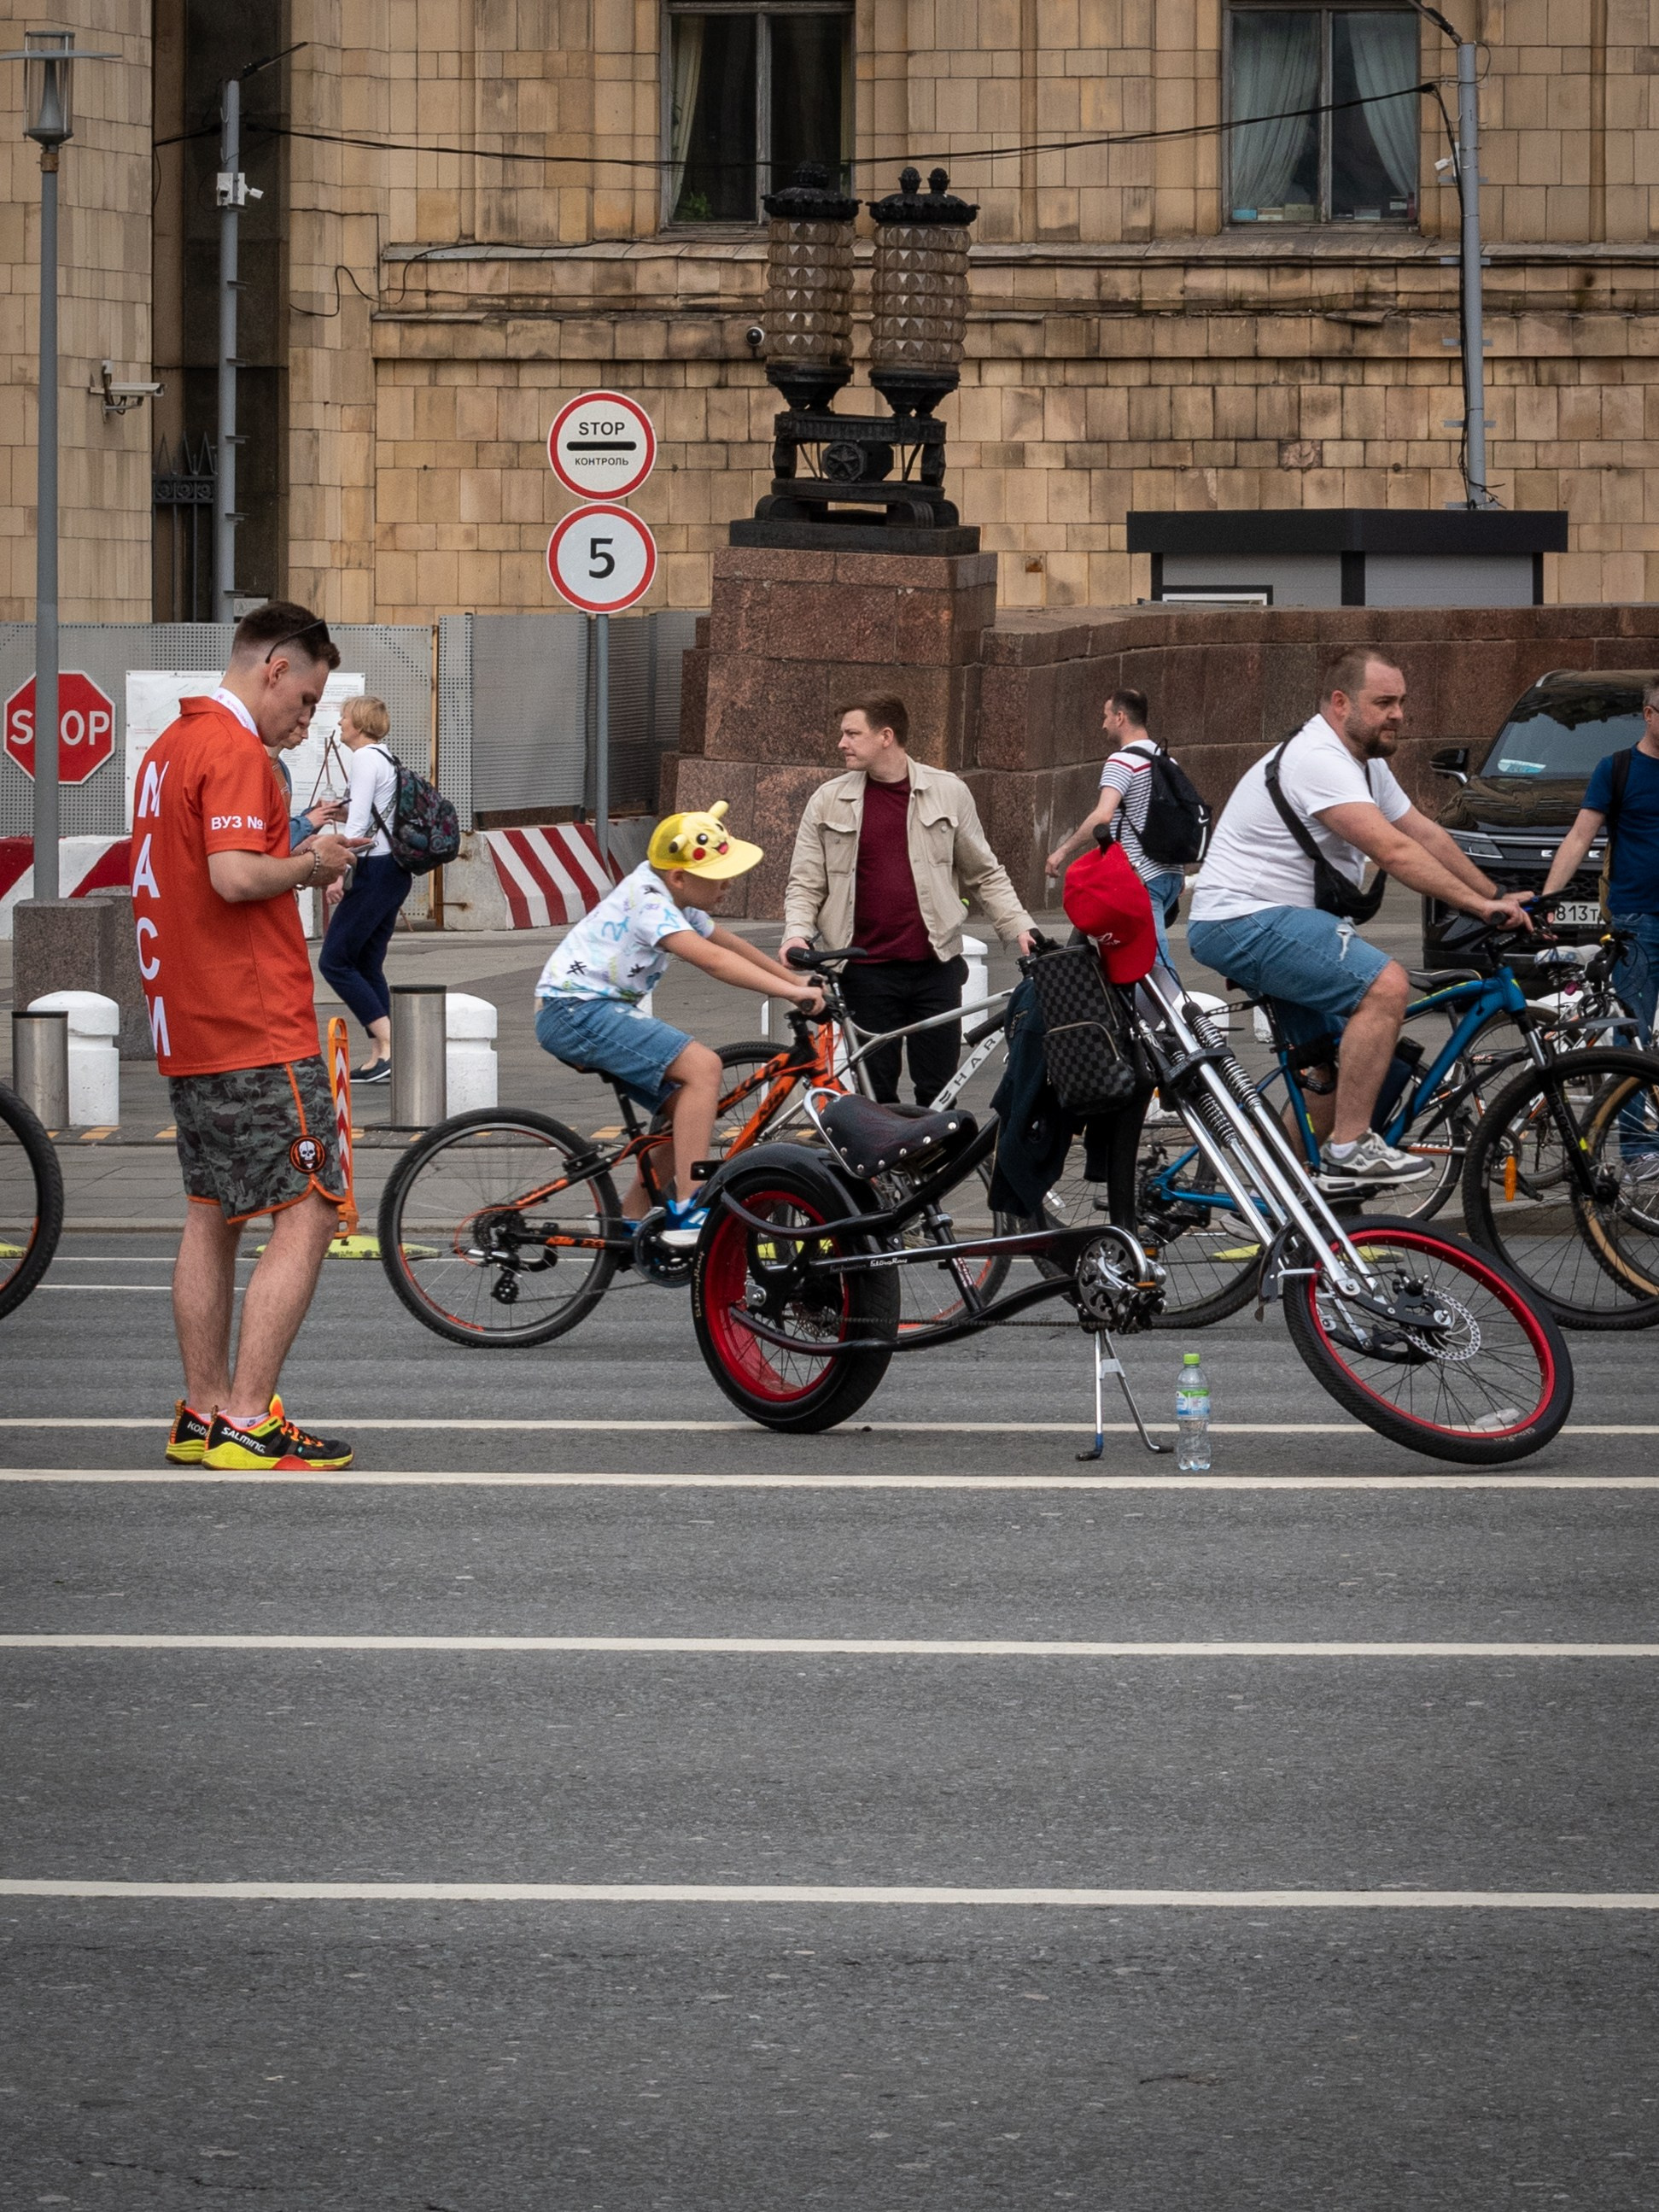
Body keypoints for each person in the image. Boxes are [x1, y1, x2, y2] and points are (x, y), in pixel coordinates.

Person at [131, 600, 368, 1471]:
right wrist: (316, 861)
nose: (306, 720)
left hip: (187, 1020)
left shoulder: (170, 748)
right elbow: (233, 877)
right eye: (305, 699)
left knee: (213, 1213)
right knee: (309, 1209)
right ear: (273, 668)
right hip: (254, 1021)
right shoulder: (235, 751)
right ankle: (246, 1416)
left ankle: (200, 1412)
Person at [1186, 649, 1532, 1191]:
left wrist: (1500, 896)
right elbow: (1393, 851)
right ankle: (1351, 1148)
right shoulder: (1318, 759)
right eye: (1384, 702)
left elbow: (1424, 832)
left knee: (1326, 1083)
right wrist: (1477, 907)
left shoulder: (1364, 763)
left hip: (1276, 923)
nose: (1398, 714)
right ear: (1341, 702)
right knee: (1385, 986)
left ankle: (1285, 1204)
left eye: (1402, 703)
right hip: (1244, 918)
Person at [535, 802, 824, 1248]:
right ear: (679, 877)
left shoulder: (672, 895)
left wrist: (795, 980)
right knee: (704, 1067)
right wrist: (792, 994)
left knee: (684, 1110)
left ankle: (629, 1218)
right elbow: (713, 961)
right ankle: (689, 1209)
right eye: (718, 872)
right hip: (575, 1011)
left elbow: (729, 943)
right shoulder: (651, 901)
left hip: (590, 1009)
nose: (729, 882)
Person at [781, 696, 1036, 1105]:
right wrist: (795, 935)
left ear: (886, 736)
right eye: (842, 734)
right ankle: (880, 1173)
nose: (841, 743)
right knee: (874, 1097)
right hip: (864, 973)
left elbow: (984, 872)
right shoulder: (828, 800)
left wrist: (1020, 927)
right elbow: (805, 883)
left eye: (852, 733)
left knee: (938, 1094)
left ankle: (933, 1169)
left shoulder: (948, 791)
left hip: (935, 969)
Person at [1540, 676, 1659, 1045]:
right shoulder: (1617, 768)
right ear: (1649, 715)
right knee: (1631, 1036)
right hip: (1638, 923)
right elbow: (1579, 837)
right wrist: (1548, 899)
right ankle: (1621, 1106)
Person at [1044, 686, 1184, 968]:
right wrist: (1178, 872)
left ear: (1120, 717)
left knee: (1154, 963)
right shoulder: (1167, 760)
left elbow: (1102, 816)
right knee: (1128, 959)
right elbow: (1177, 817)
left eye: (1106, 716)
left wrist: (1061, 852)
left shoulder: (1122, 761)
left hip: (1141, 877)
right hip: (1169, 875)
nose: (1103, 723)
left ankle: (1178, 1012)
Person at [318, 696, 411, 1084]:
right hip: (394, 870)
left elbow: (357, 826)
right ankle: (380, 1057)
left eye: (344, 717)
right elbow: (370, 812)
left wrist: (338, 875)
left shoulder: (364, 759)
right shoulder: (386, 759)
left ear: (358, 722)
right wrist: (334, 810)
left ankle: (397, 1048)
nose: (339, 723)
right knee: (367, 963)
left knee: (334, 961)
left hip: (374, 868)